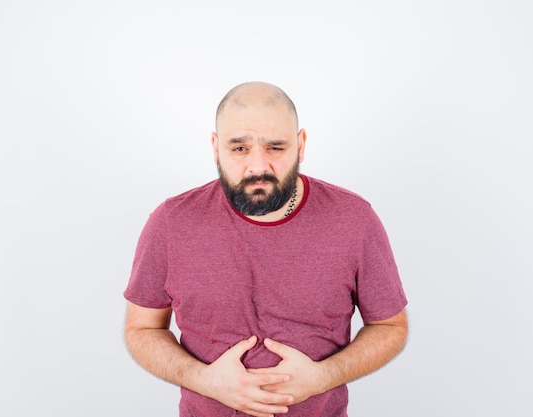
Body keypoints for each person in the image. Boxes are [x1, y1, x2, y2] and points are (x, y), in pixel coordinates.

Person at [123, 81, 408, 417]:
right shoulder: (170, 223)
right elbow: (142, 328)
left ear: (300, 145)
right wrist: (203, 379)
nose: (258, 167)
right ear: (216, 148)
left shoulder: (354, 219)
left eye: (275, 147)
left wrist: (323, 377)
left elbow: (391, 326)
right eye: (239, 148)